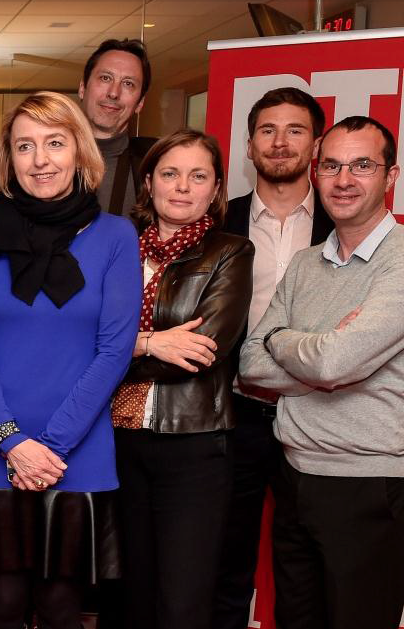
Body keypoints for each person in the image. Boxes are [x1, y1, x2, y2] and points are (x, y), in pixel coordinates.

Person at [0, 90, 141, 629]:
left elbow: (114, 351)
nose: (40, 160)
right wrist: (13, 441)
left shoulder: (115, 237)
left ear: (79, 151)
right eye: (25, 146)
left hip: (76, 449)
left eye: (54, 143)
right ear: (9, 160)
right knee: (2, 603)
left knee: (62, 607)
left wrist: (48, 448)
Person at [240, 116, 404, 629]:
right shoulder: (307, 264)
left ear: (390, 176)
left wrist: (284, 341)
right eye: (331, 165)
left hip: (369, 485)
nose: (344, 179)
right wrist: (324, 352)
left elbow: (336, 362)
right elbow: (250, 364)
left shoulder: (401, 261)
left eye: (362, 165)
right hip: (293, 478)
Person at [109, 130, 253, 629]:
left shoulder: (231, 252)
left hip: (194, 444)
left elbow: (202, 350)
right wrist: (149, 342)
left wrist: (116, 346)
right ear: (148, 182)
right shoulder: (117, 245)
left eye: (199, 176)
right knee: (129, 594)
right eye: (170, 174)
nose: (183, 187)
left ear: (216, 190)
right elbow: (77, 338)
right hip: (115, 441)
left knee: (182, 601)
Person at [213, 86, 335, 629]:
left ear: (316, 144)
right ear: (248, 145)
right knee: (225, 560)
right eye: (267, 130)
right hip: (232, 416)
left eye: (295, 130)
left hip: (319, 417)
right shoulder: (218, 222)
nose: (280, 142)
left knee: (310, 565)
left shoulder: (344, 224)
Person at [79, 38, 157, 218]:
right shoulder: (47, 157)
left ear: (140, 103)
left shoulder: (154, 165)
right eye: (105, 78)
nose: (114, 93)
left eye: (128, 83)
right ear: (83, 88)